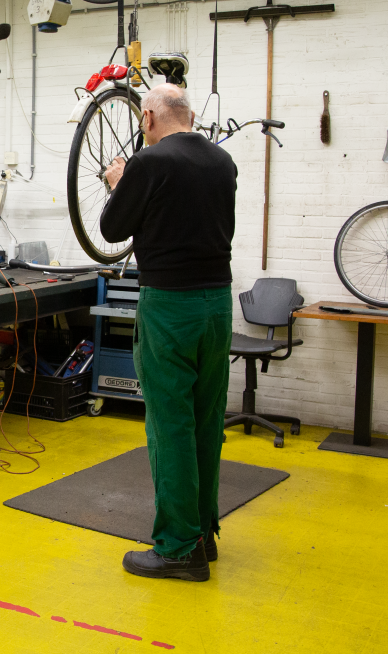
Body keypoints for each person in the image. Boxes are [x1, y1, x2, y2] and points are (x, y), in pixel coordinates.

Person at [99, 83, 237, 582]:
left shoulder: (149, 162)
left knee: (169, 427)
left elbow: (112, 229)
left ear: (149, 118)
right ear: (191, 116)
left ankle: (179, 549)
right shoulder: (222, 162)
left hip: (170, 307)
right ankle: (202, 535)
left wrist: (119, 181)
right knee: (205, 421)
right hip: (217, 305)